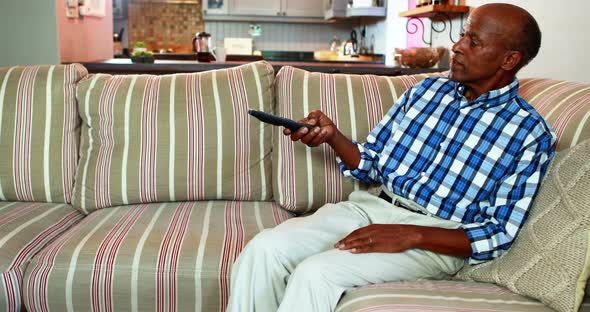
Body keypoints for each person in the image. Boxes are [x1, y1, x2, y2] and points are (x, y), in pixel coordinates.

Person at [227, 3, 556, 312]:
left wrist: (413, 234)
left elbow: (499, 232)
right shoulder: (424, 93)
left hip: (436, 235)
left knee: (317, 273)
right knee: (263, 250)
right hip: (370, 207)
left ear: (509, 60)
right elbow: (371, 164)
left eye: (473, 40)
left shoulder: (529, 134)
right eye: (462, 35)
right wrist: (334, 137)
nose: (457, 47)